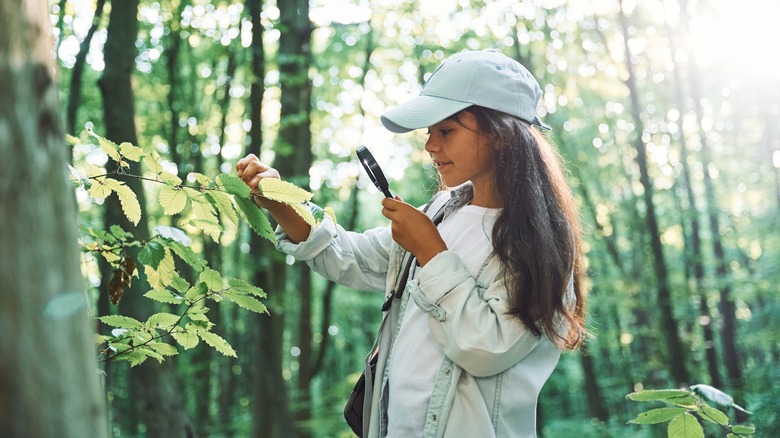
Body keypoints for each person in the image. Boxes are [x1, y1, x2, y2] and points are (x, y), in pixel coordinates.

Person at [236, 49, 587, 438]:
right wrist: (284, 204)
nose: (430, 147)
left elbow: (487, 349)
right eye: (429, 133)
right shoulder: (441, 212)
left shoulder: (541, 243)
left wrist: (431, 252)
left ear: (501, 136)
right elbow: (351, 257)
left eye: (447, 131)